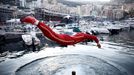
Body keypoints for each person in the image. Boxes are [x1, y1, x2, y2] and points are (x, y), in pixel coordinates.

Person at [20, 16, 101, 48]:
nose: (87, 39)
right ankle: (35, 22)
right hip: (67, 39)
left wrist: (72, 44)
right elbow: (93, 37)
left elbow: (76, 38)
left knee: (50, 34)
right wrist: (98, 43)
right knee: (50, 34)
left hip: (67, 39)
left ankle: (36, 22)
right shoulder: (83, 35)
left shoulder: (80, 34)